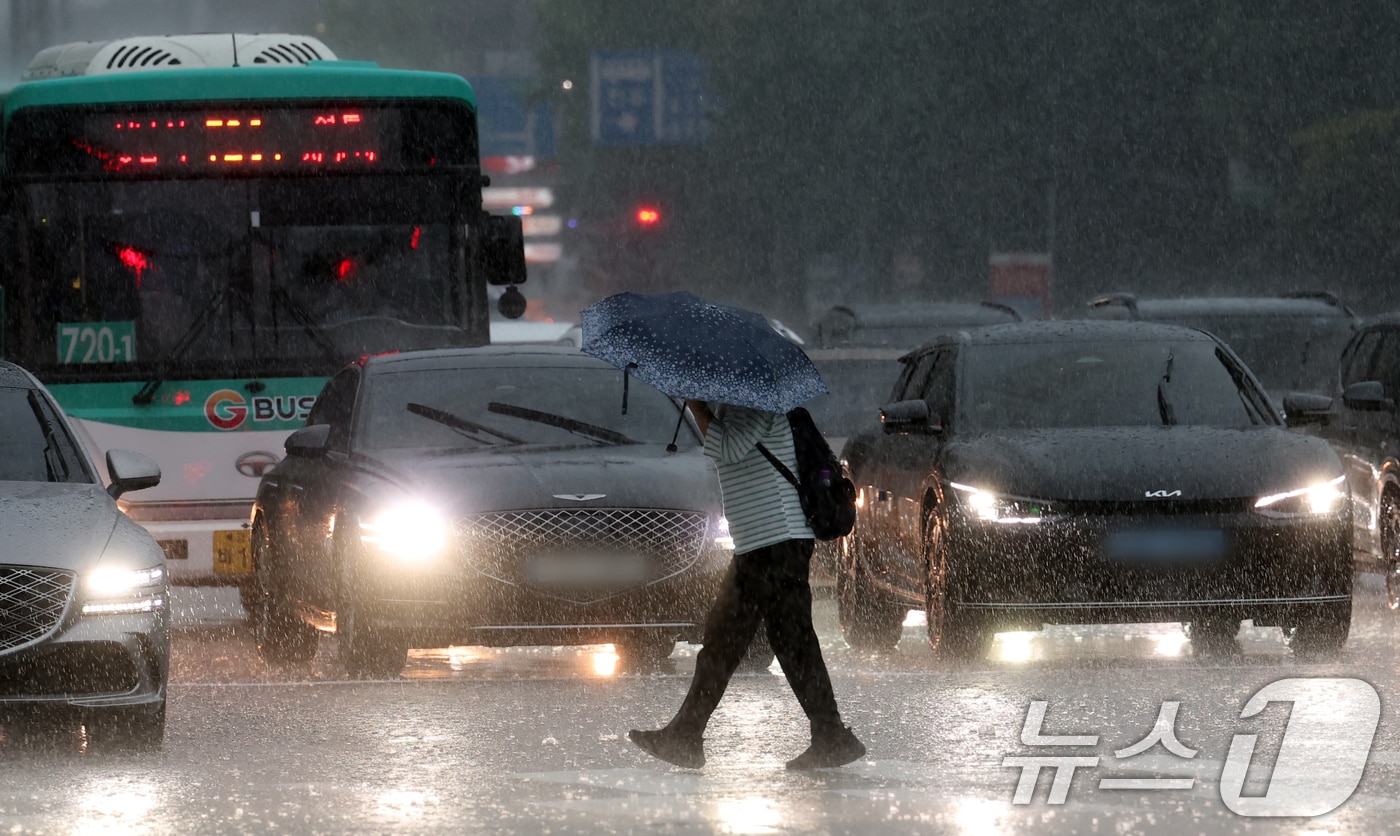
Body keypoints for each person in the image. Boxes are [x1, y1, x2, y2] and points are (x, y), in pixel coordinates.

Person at [628, 400, 865, 771]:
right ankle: (687, 735)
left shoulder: (755, 403)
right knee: (730, 639)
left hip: (776, 541)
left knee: (784, 642)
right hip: (759, 543)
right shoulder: (739, 405)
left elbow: (728, 448)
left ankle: (830, 735)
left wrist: (695, 407)